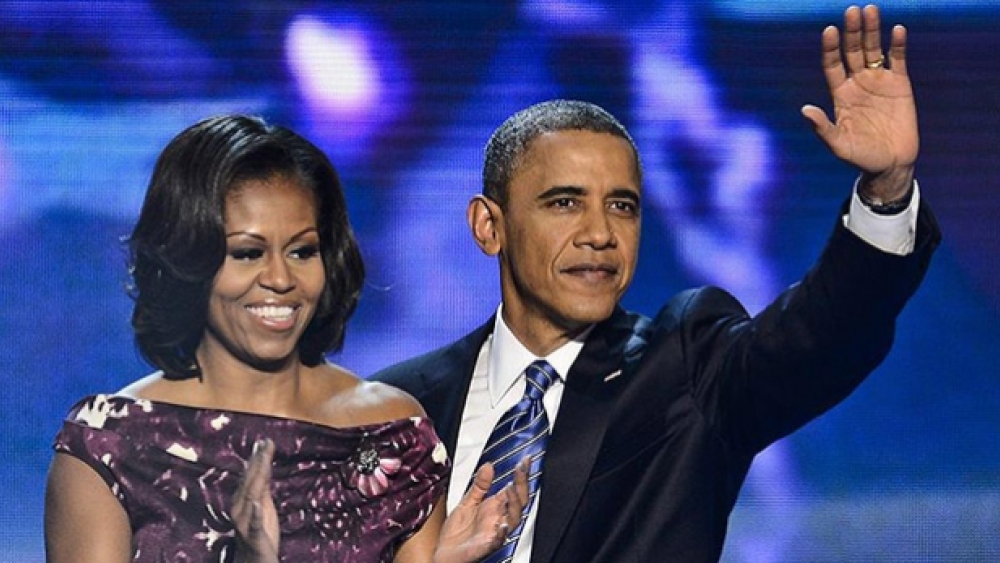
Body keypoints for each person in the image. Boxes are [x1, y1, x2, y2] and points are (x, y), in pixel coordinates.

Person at [371, 4, 940, 562]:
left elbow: (822, 335)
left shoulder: (685, 375)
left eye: (622, 206)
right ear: (489, 226)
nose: (600, 234)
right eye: (564, 203)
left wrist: (886, 192)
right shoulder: (392, 411)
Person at [44, 114, 528, 562]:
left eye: (301, 252)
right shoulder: (112, 447)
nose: (280, 279)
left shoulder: (391, 433)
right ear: (187, 259)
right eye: (247, 254)